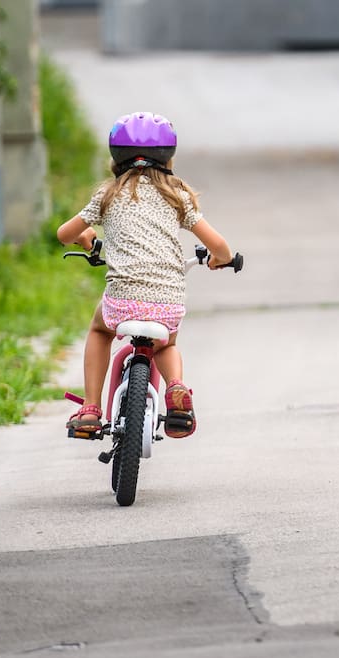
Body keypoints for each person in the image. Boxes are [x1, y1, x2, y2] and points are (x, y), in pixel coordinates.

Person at [57, 111, 234, 439]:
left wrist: (84, 237)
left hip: (122, 299)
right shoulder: (177, 196)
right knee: (165, 344)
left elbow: (64, 233)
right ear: (169, 157)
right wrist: (219, 260)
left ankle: (91, 408)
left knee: (99, 330)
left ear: (115, 157)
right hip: (166, 301)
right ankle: (176, 387)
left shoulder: (107, 196)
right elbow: (219, 246)